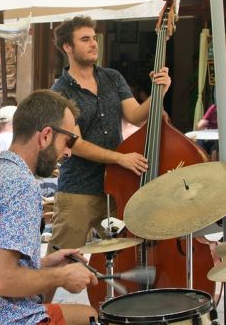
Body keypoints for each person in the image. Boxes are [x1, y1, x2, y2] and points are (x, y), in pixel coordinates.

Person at [44, 16, 171, 302]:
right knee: (58, 261)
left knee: (125, 253)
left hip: (117, 187)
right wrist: (120, 158)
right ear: (67, 46)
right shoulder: (59, 91)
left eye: (94, 38)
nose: (93, 44)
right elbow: (74, 143)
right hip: (78, 189)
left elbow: (136, 116)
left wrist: (158, 91)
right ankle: (34, 316)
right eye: (85, 39)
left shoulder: (112, 77)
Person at [0, 90, 98, 325]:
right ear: (46, 136)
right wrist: (61, 276)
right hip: (3, 319)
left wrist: (43, 264)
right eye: (68, 140)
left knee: (85, 314)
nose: (68, 151)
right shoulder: (22, 186)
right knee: (91, 316)